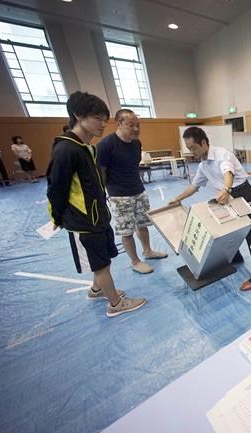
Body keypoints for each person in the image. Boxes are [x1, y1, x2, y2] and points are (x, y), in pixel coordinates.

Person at [46, 91, 146, 317]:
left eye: (104, 119)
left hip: (97, 215)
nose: (103, 124)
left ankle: (97, 289)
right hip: (82, 220)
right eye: (97, 118)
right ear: (78, 116)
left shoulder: (87, 147)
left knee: (102, 257)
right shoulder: (66, 149)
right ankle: (115, 304)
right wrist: (58, 218)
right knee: (100, 263)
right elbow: (56, 188)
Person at [169, 126, 251, 291]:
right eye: (189, 149)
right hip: (225, 196)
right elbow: (194, 186)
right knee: (227, 230)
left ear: (203, 143)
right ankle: (235, 258)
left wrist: (226, 189)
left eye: (193, 148)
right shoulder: (203, 166)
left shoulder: (222, 154)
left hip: (242, 194)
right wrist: (177, 199)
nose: (191, 152)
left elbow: (227, 172)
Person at [97, 109, 168, 274]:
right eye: (131, 125)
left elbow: (134, 166)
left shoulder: (136, 143)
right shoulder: (106, 145)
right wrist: (105, 193)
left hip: (138, 190)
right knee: (126, 230)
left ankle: (148, 251)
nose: (136, 129)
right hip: (119, 195)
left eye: (138, 125)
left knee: (143, 224)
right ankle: (135, 261)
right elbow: (101, 172)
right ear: (119, 124)